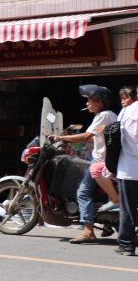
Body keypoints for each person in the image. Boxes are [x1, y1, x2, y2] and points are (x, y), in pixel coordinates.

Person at [52, 85, 117, 244]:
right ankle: (107, 224)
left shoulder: (104, 115)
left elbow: (87, 136)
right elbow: (95, 138)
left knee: (82, 193)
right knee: (96, 193)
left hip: (100, 161)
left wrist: (61, 138)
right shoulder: (108, 115)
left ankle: (88, 231)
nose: (87, 103)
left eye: (90, 100)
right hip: (104, 160)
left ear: (100, 101)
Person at [115, 89, 138, 257]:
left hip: (129, 168)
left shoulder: (126, 112)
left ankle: (126, 244)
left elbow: (116, 139)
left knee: (128, 209)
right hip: (128, 167)